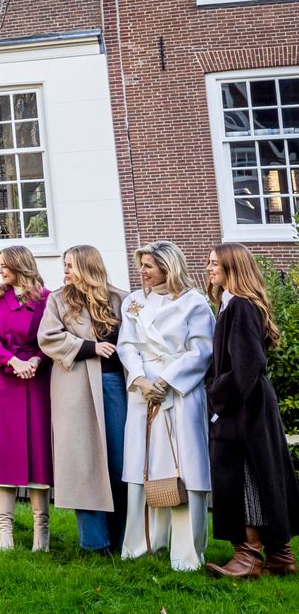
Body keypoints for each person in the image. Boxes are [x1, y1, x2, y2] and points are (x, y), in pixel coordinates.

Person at [204, 243, 299, 578]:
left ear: (232, 268)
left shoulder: (240, 306)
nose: (210, 268)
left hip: (243, 406)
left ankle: (248, 557)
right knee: (261, 473)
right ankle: (279, 556)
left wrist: (216, 395)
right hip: (252, 403)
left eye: (215, 263)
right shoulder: (234, 304)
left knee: (244, 474)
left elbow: (247, 364)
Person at [117, 241, 214, 571]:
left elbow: (201, 350)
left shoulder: (195, 303)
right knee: (141, 466)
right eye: (140, 264)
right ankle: (141, 545)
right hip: (142, 394)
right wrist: (141, 380)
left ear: (167, 267)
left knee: (185, 469)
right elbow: (126, 346)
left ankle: (187, 555)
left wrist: (166, 381)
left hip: (180, 394)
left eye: (148, 265)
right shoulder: (133, 302)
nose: (141, 271)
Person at [38, 245, 128, 555]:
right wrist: (89, 347)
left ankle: (121, 539)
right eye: (64, 265)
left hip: (115, 386)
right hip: (75, 389)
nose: (65, 271)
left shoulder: (121, 299)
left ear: (89, 267)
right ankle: (94, 542)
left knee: (120, 463)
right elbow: (47, 337)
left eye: (71, 266)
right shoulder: (58, 300)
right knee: (84, 462)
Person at [0, 245, 52, 551]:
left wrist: (37, 360)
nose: (0, 270)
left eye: (5, 265)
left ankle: (41, 532)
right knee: (4, 455)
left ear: (21, 266)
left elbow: (54, 334)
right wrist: (10, 360)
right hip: (2, 385)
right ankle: (6, 531)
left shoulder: (47, 299)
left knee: (38, 455)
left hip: (36, 383)